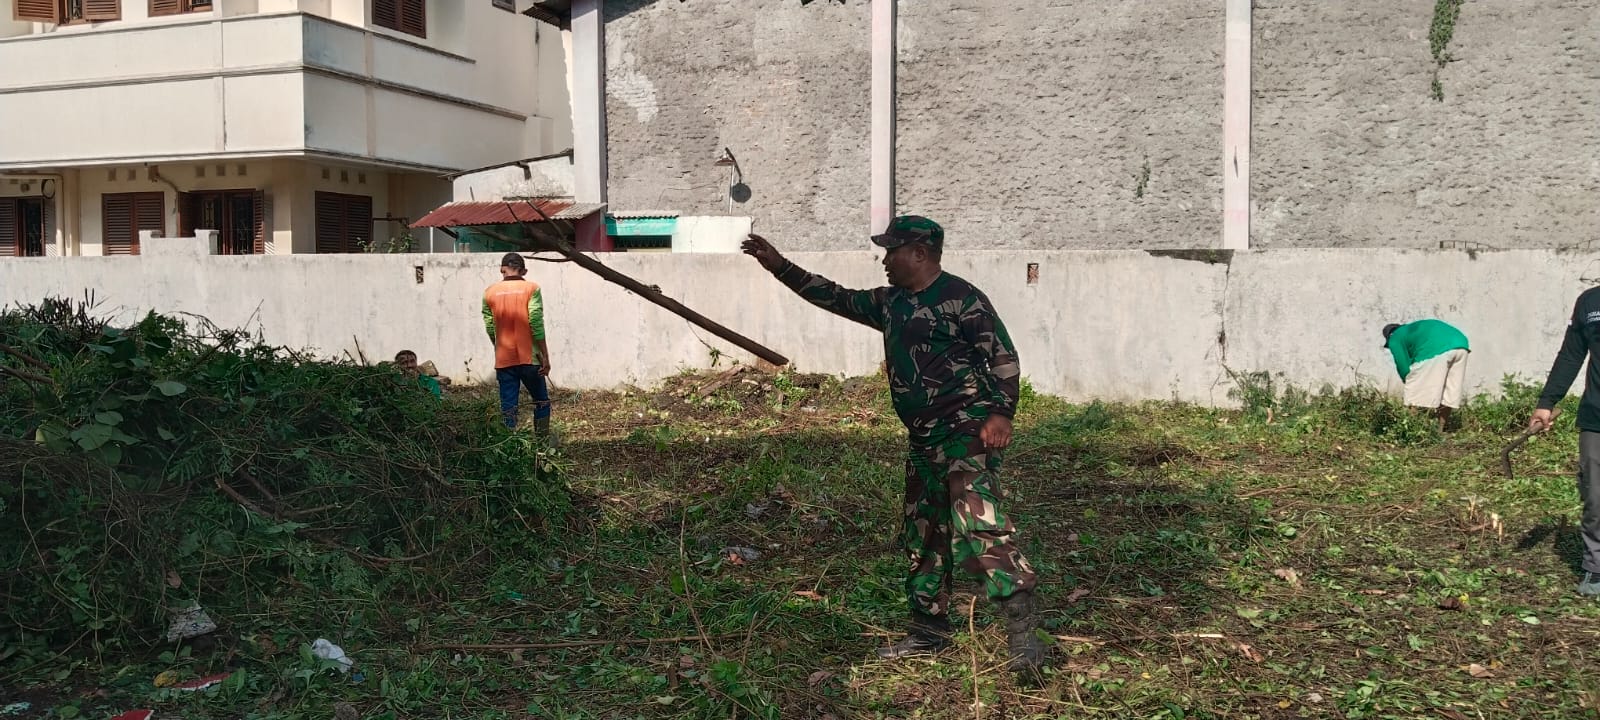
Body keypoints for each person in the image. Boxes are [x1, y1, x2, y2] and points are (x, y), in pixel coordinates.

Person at [741, 215, 1044, 672]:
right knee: (923, 533)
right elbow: (836, 297)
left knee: (978, 523)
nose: (885, 260)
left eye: (892, 251)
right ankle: (929, 632)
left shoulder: (962, 299)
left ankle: (1024, 636)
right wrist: (779, 266)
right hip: (922, 439)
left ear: (919, 253)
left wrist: (1001, 413)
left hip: (965, 433)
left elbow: (1001, 356)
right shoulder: (891, 302)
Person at [1529, 286, 1600, 597]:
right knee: (1596, 496)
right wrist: (1547, 401)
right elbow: (1572, 354)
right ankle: (1596, 569)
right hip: (1596, 418)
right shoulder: (1590, 302)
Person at [482, 252, 552, 437]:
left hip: (504, 359)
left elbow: (490, 326)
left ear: (502, 269)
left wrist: (497, 346)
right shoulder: (532, 289)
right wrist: (545, 355)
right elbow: (535, 322)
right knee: (541, 401)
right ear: (524, 271)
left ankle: (508, 444)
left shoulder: (490, 292)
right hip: (531, 358)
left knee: (508, 407)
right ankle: (543, 445)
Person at [1382, 319, 1470, 430]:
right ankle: (1440, 430)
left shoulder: (1395, 337)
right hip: (1461, 345)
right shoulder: (1410, 330)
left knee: (1413, 392)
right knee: (1449, 392)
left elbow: (1402, 365)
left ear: (1389, 336)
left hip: (1437, 347)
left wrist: (1409, 380)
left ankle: (1410, 430)